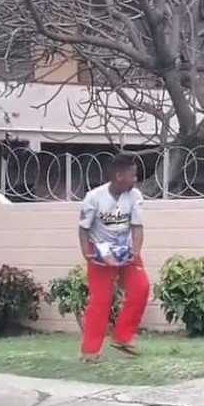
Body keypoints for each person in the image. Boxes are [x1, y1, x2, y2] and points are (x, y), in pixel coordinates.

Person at [77, 153, 149, 364]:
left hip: (125, 248)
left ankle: (123, 337)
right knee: (101, 299)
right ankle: (90, 351)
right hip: (99, 248)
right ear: (119, 176)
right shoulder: (93, 197)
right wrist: (87, 253)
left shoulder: (134, 196)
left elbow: (137, 227)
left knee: (141, 288)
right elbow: (83, 229)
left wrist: (135, 252)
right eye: (132, 175)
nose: (135, 179)